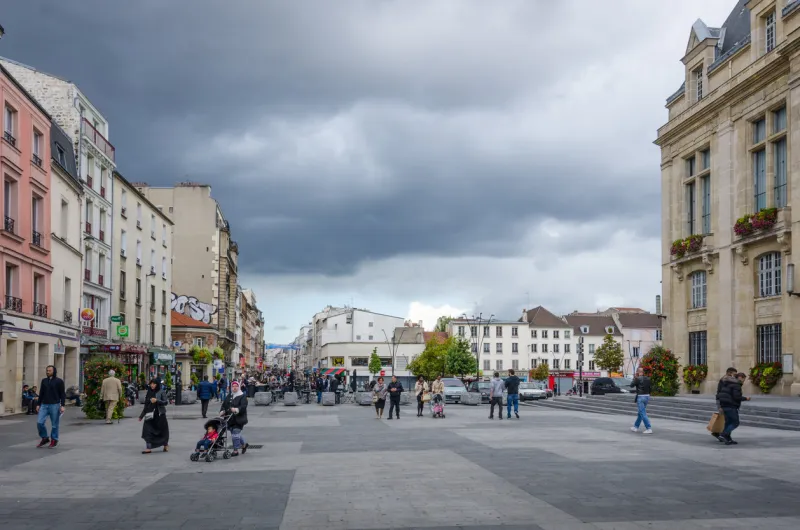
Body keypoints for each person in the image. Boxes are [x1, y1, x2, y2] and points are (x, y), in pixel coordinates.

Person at [36, 365, 66, 448]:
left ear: (54, 371)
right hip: (44, 404)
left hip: (55, 405)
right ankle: (45, 437)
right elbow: (41, 393)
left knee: (54, 424)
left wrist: (62, 405)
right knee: (39, 422)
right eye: (47, 370)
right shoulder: (44, 381)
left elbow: (62, 394)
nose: (47, 372)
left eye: (49, 370)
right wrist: (38, 404)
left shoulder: (59, 381)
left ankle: (54, 439)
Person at [717, 372, 750, 445]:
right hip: (731, 405)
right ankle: (723, 434)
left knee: (728, 422)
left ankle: (728, 439)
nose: (744, 381)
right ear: (740, 377)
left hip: (724, 404)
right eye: (744, 379)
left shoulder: (727, 383)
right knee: (735, 422)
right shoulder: (736, 385)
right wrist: (745, 398)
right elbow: (737, 397)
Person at [139, 378, 170, 454]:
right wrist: (141, 415)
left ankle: (165, 444)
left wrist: (157, 400)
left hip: (159, 415)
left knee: (162, 432)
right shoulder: (149, 392)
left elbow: (166, 402)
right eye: (151, 384)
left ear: (157, 384)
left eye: (154, 384)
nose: (152, 385)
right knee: (147, 431)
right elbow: (146, 405)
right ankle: (148, 448)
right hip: (149, 415)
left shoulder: (161, 391)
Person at [221, 380, 249, 456]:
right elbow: (224, 405)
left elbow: (243, 406)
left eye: (236, 386)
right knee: (235, 434)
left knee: (235, 434)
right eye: (233, 386)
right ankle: (244, 445)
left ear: (239, 387)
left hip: (239, 419)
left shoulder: (242, 396)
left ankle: (235, 450)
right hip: (230, 419)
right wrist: (222, 411)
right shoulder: (229, 395)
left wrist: (237, 409)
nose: (234, 388)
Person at [711, 367, 737, 439]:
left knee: (727, 420)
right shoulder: (725, 381)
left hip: (725, 402)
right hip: (723, 403)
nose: (735, 376)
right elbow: (720, 393)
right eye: (734, 374)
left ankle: (722, 434)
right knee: (729, 420)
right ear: (729, 373)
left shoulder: (727, 380)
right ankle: (722, 434)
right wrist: (719, 406)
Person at [630, 367, 653, 434]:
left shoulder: (637, 378)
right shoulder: (648, 378)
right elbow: (650, 388)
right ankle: (635, 427)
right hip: (647, 396)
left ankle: (648, 428)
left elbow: (631, 385)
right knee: (640, 412)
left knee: (642, 413)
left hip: (640, 396)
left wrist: (635, 377)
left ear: (638, 372)